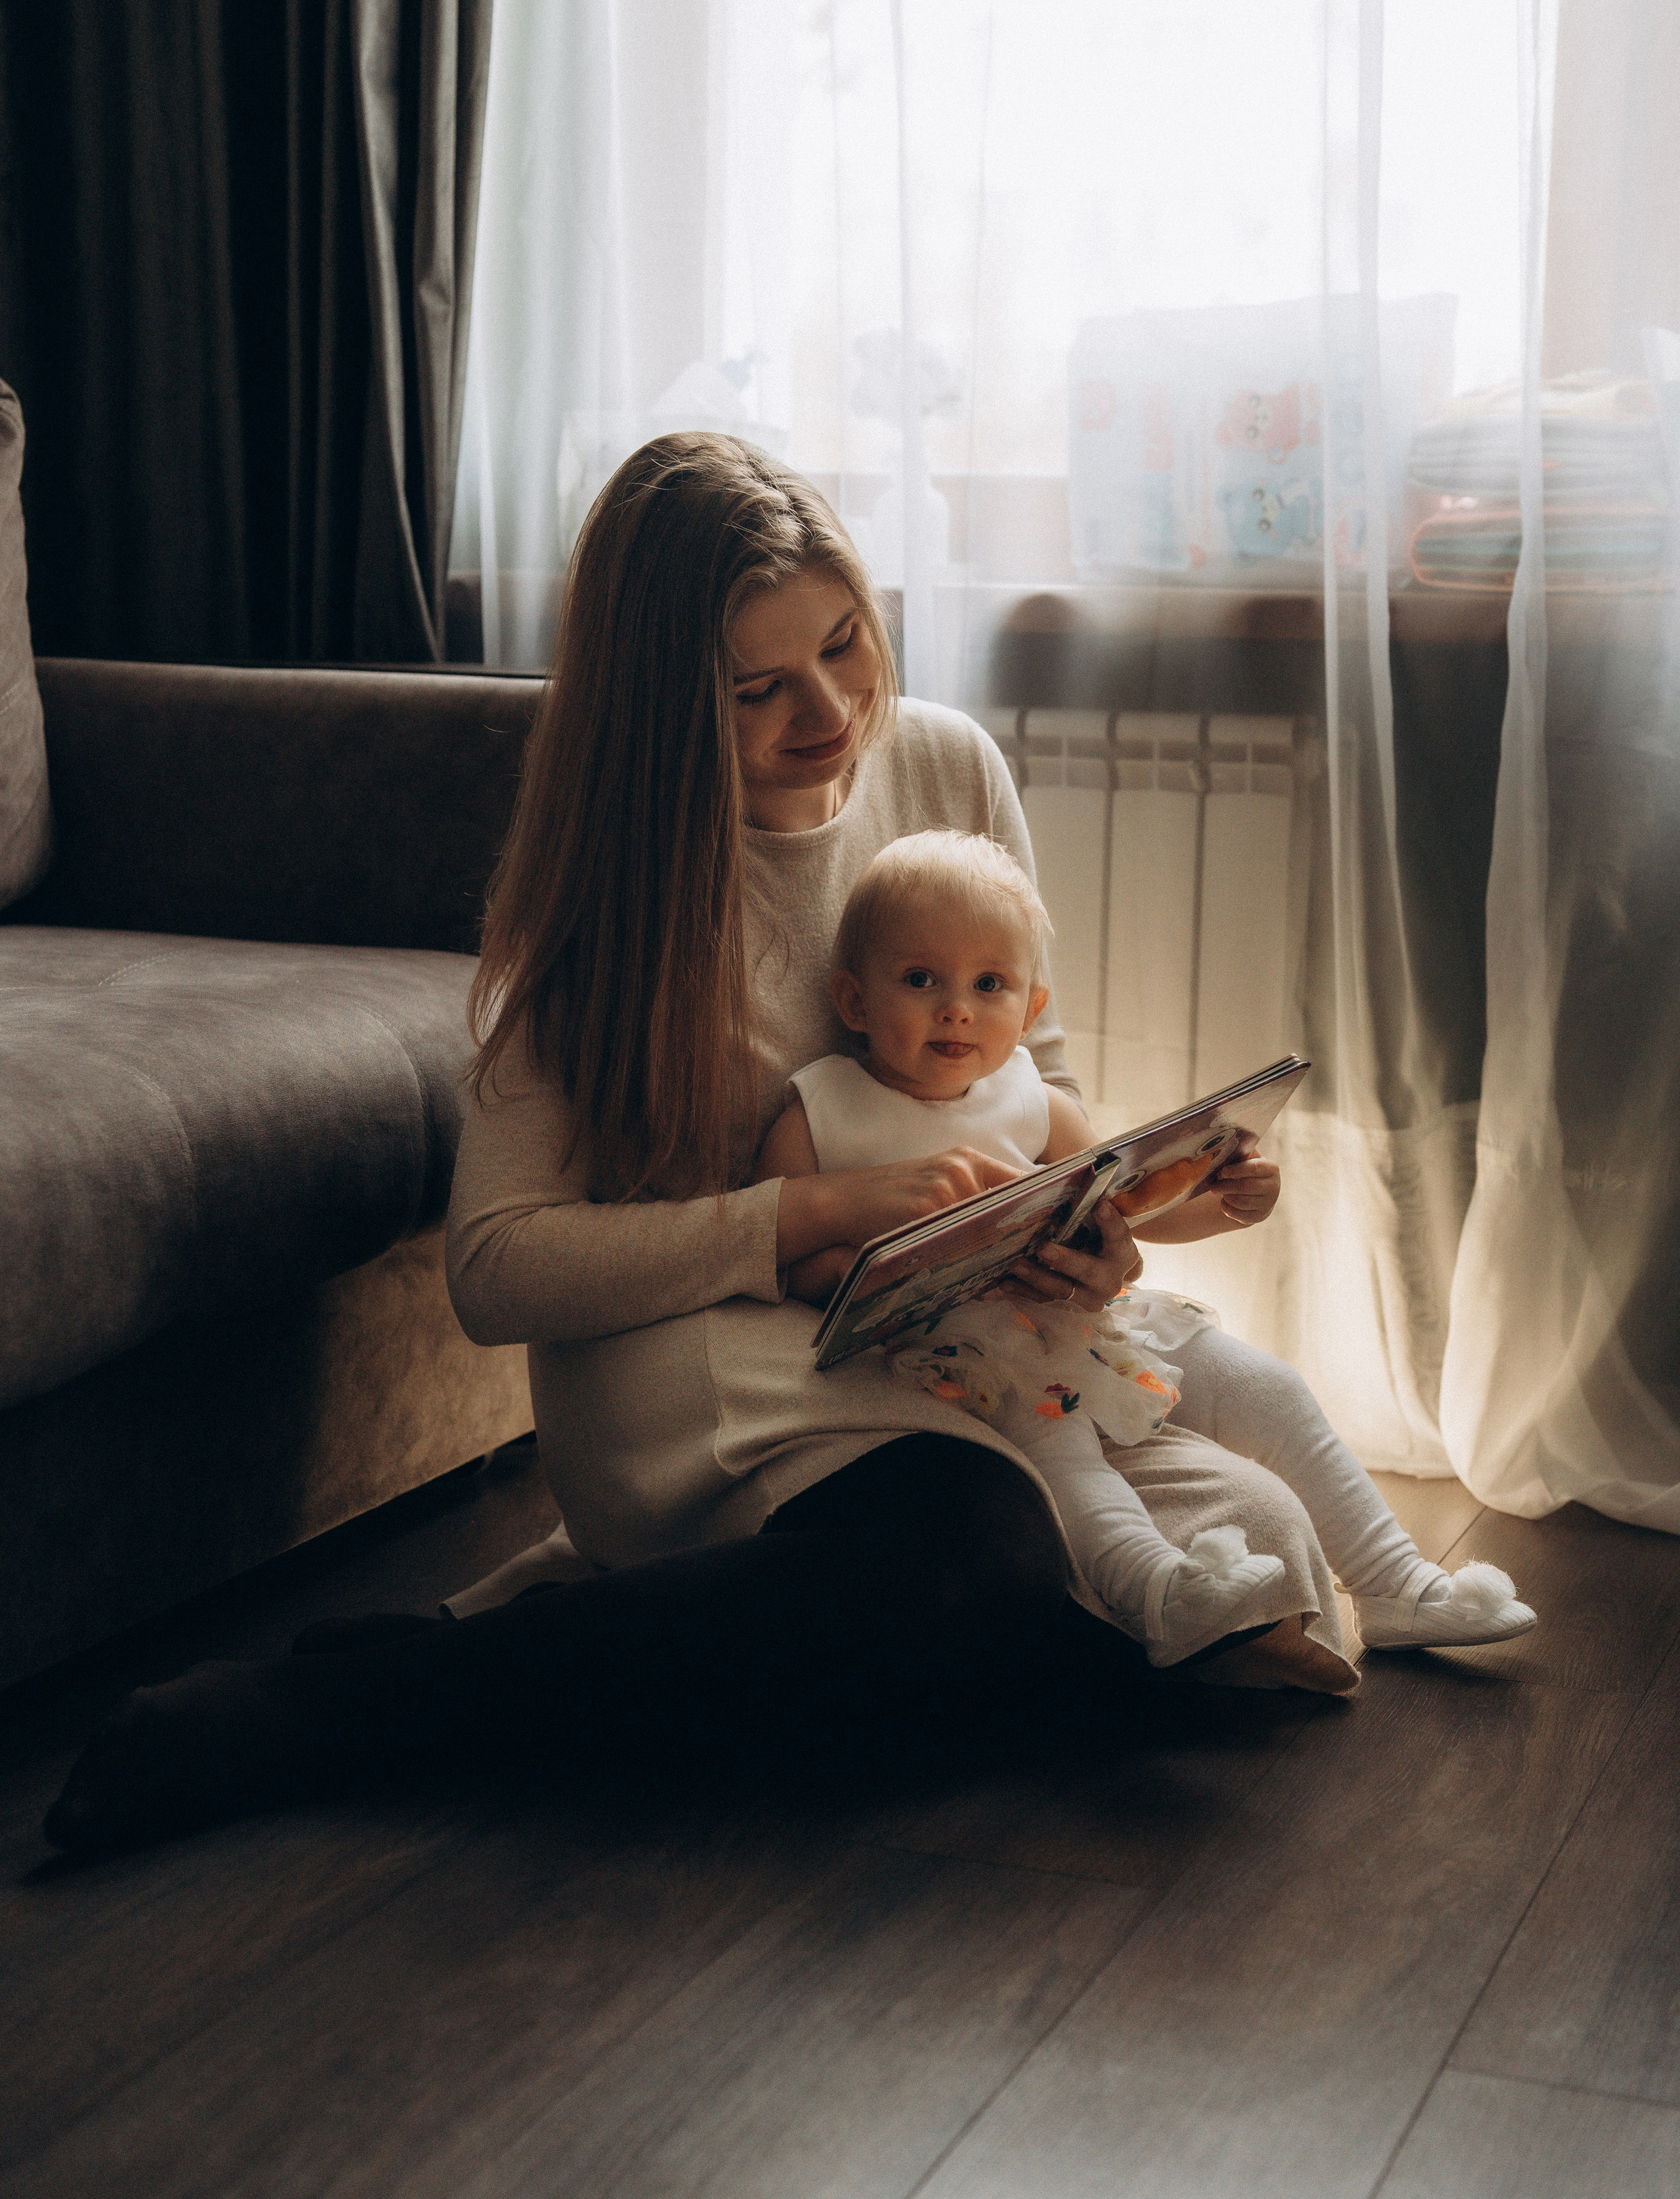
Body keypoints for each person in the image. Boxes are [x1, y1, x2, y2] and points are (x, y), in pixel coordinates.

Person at [44, 437, 1390, 1856]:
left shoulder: (944, 763)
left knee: (1260, 1546)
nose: (827, 712)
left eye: (842, 646)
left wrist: (1105, 1221)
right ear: (659, 707)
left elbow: (1030, 1087)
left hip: (940, 1350)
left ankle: (600, 1623)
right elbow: (495, 1273)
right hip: (691, 1358)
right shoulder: (597, 892)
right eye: (756, 690)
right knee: (979, 1582)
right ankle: (348, 1710)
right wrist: (801, 1211)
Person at [753, 828, 1539, 1671]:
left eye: (990, 984)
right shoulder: (823, 1106)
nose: (957, 1008)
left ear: (1032, 1004)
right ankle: (1160, 1591)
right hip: (958, 1353)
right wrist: (870, 1274)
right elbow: (787, 1259)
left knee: (1266, 1387)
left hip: (1082, 1315)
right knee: (1062, 1445)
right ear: (853, 1000)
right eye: (920, 980)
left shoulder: (1032, 1097)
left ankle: (1397, 1583)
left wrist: (1223, 1204)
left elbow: (1122, 1213)